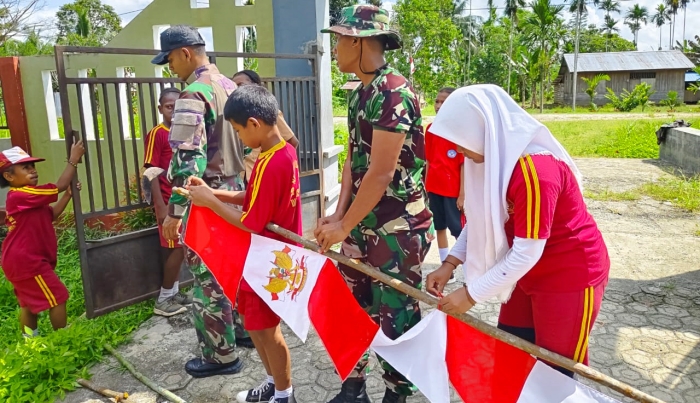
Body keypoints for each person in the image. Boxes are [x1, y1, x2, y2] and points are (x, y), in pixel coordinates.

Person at [426, 84, 610, 377]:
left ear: (481, 129)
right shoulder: (488, 158)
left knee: (554, 371)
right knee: (512, 355)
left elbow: (527, 251)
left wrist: (471, 294)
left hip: (569, 275)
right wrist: (449, 264)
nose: (458, 150)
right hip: (526, 274)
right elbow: (481, 218)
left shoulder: (534, 171)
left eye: (460, 141)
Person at [316, 6, 433, 403]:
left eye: (338, 39)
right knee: (351, 309)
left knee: (396, 314)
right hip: (362, 224)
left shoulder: (394, 90)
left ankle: (396, 394)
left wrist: (343, 227)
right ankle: (353, 386)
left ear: (358, 40)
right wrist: (338, 214)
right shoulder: (360, 93)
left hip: (397, 229)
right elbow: (355, 160)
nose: (335, 48)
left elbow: (382, 173)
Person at [187, 85, 301, 403]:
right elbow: (252, 199)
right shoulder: (277, 153)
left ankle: (285, 394)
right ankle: (272, 384)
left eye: (238, 131)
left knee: (267, 330)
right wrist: (214, 193)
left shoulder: (272, 162)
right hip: (260, 257)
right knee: (255, 326)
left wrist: (210, 202)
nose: (239, 138)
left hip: (270, 261)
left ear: (254, 123)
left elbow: (251, 221)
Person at [151, 24, 246, 378]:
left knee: (208, 280)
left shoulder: (193, 94)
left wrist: (175, 211)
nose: (170, 67)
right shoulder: (229, 86)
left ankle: (220, 356)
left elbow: (187, 161)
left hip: (205, 197)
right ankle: (246, 332)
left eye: (171, 59)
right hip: (234, 190)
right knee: (234, 269)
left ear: (186, 52)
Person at [0, 142, 85, 336]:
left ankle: (31, 342)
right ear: (9, 176)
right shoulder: (21, 195)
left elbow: (51, 215)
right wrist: (73, 160)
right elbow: (60, 185)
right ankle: (62, 338)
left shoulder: (31, 197)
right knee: (58, 297)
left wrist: (68, 196)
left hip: (18, 260)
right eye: (26, 167)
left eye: (33, 166)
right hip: (27, 261)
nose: (33, 171)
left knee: (29, 305)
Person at [142, 87, 193, 317]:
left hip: (181, 199)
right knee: (175, 249)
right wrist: (160, 206)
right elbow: (150, 169)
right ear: (160, 108)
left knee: (179, 247)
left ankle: (173, 292)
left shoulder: (184, 132)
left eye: (177, 107)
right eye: (169, 107)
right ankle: (163, 299)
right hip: (166, 201)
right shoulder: (157, 133)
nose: (173, 111)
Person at [425, 87, 464, 284]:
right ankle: (446, 269)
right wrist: (425, 185)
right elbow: (429, 161)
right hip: (434, 188)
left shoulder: (460, 132)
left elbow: (464, 164)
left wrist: (462, 193)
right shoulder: (431, 129)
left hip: (452, 190)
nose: (439, 106)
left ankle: (470, 270)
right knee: (439, 227)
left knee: (459, 230)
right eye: (437, 101)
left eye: (444, 102)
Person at [232, 69, 300, 182]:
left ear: (256, 86)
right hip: (243, 176)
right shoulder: (237, 117)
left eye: (241, 85)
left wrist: (278, 168)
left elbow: (292, 142)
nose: (237, 89)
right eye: (234, 86)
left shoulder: (269, 113)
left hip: (262, 175)